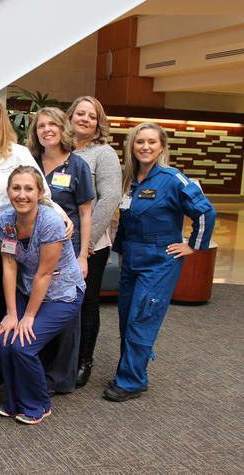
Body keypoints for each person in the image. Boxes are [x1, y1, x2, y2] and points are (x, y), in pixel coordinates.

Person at [0, 94, 70, 413]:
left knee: (5, 315)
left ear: (2, 122)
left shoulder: (18, 153)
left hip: (15, 253)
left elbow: (42, 194)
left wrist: (62, 216)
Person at [104, 122, 216, 402]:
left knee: (143, 317)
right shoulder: (132, 181)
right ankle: (131, 370)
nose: (145, 147)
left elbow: (206, 212)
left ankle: (131, 381)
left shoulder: (172, 178)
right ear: (132, 146)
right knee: (127, 317)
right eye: (140, 141)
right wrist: (120, 251)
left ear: (162, 147)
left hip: (158, 262)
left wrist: (192, 246)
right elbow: (126, 222)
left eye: (152, 142)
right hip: (130, 258)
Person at [0, 165, 85, 424]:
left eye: (28, 189)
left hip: (62, 293)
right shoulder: (5, 221)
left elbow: (44, 275)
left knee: (23, 345)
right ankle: (14, 402)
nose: (22, 195)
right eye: (16, 188)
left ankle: (38, 405)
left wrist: (28, 317)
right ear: (9, 191)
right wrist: (12, 314)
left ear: (40, 192)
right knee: (3, 341)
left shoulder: (50, 222)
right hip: (27, 290)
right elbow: (9, 266)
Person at [29, 107, 94, 395]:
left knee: (65, 316)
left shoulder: (77, 166)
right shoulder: (30, 162)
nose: (47, 130)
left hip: (67, 252)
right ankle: (36, 371)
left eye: (53, 124)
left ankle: (59, 378)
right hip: (33, 250)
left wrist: (82, 256)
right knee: (38, 309)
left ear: (62, 129)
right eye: (41, 125)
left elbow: (86, 213)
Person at [65, 96, 122, 388]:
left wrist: (86, 242)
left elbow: (110, 198)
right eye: (81, 113)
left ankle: (83, 361)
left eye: (92, 116)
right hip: (57, 245)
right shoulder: (58, 150)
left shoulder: (104, 154)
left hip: (91, 246)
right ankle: (60, 357)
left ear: (99, 123)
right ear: (70, 116)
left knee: (86, 304)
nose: (85, 119)